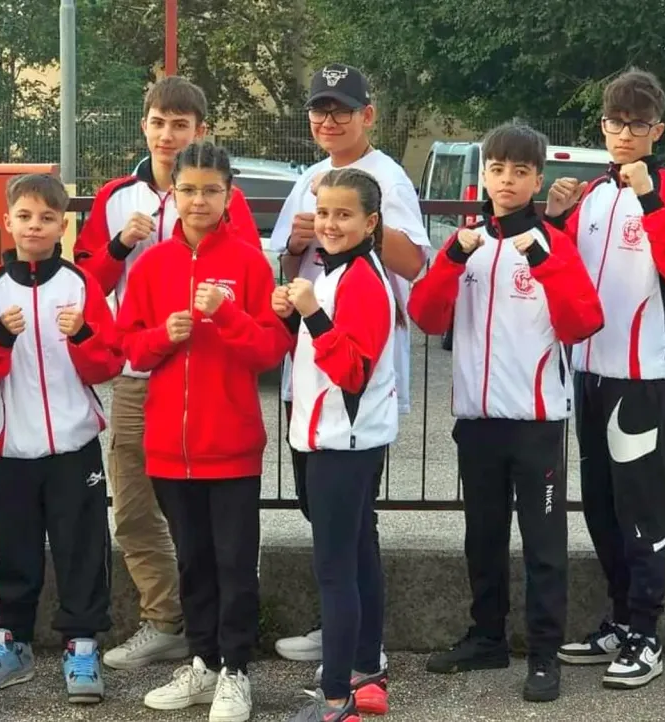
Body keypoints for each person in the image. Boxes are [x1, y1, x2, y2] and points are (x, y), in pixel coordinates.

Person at [73, 75, 261, 671]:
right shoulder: (115, 197)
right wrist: (118, 247)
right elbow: (86, 283)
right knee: (134, 506)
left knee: (213, 524)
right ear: (144, 126)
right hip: (140, 371)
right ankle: (164, 620)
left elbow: (248, 276)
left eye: (180, 125)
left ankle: (217, 641)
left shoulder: (226, 200)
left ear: (200, 130)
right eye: (158, 122)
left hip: (211, 376)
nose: (167, 134)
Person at [410, 123, 604, 703]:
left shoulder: (552, 243)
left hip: (536, 420)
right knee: (483, 537)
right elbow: (426, 317)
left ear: (537, 179)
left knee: (543, 545)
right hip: (477, 419)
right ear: (484, 176)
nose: (508, 181)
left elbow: (582, 322)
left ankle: (544, 654)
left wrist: (543, 262)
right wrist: (451, 258)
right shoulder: (467, 244)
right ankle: (486, 637)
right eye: (498, 170)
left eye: (520, 171)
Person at [116, 141, 293, 722]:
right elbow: (128, 346)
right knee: (192, 562)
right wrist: (162, 336)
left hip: (232, 445)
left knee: (235, 565)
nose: (198, 201)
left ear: (228, 195)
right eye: (188, 190)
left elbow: (269, 348)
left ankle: (236, 671)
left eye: (211, 191)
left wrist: (227, 314)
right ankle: (203, 663)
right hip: (169, 448)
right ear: (173, 193)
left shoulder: (248, 262)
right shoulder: (152, 265)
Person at [270, 62, 428, 690]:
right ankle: (348, 634)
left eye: (341, 108)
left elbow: (414, 262)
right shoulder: (307, 178)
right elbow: (288, 259)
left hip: (354, 380)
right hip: (312, 374)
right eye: (319, 108)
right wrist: (299, 243)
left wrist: (358, 223)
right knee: (331, 523)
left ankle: (358, 650)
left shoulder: (386, 178)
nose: (329, 119)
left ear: (368, 115)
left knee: (350, 532)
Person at [545, 68, 665, 689]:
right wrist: (556, 217)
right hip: (589, 371)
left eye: (638, 124)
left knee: (640, 507)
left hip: (642, 377)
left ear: (657, 130)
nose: (625, 133)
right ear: (603, 126)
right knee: (602, 505)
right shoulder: (593, 193)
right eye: (616, 122)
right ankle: (618, 619)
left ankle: (646, 631)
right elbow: (564, 272)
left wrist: (651, 199)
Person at [0, 174, 124, 704]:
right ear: (7, 221)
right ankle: (11, 643)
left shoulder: (81, 285)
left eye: (47, 218)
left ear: (62, 226)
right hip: (9, 446)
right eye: (25, 216)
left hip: (74, 445)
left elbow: (107, 365)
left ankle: (82, 645)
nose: (35, 226)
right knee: (15, 550)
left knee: (82, 547)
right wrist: (0, 338)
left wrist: (82, 335)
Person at [274, 168, 398, 722]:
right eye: (323, 212)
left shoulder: (363, 279)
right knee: (358, 553)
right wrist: (290, 318)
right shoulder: (336, 271)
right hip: (331, 437)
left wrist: (310, 313)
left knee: (335, 568)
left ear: (370, 223)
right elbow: (316, 353)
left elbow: (352, 371)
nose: (329, 223)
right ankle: (366, 672)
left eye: (344, 214)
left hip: (342, 444)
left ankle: (335, 698)